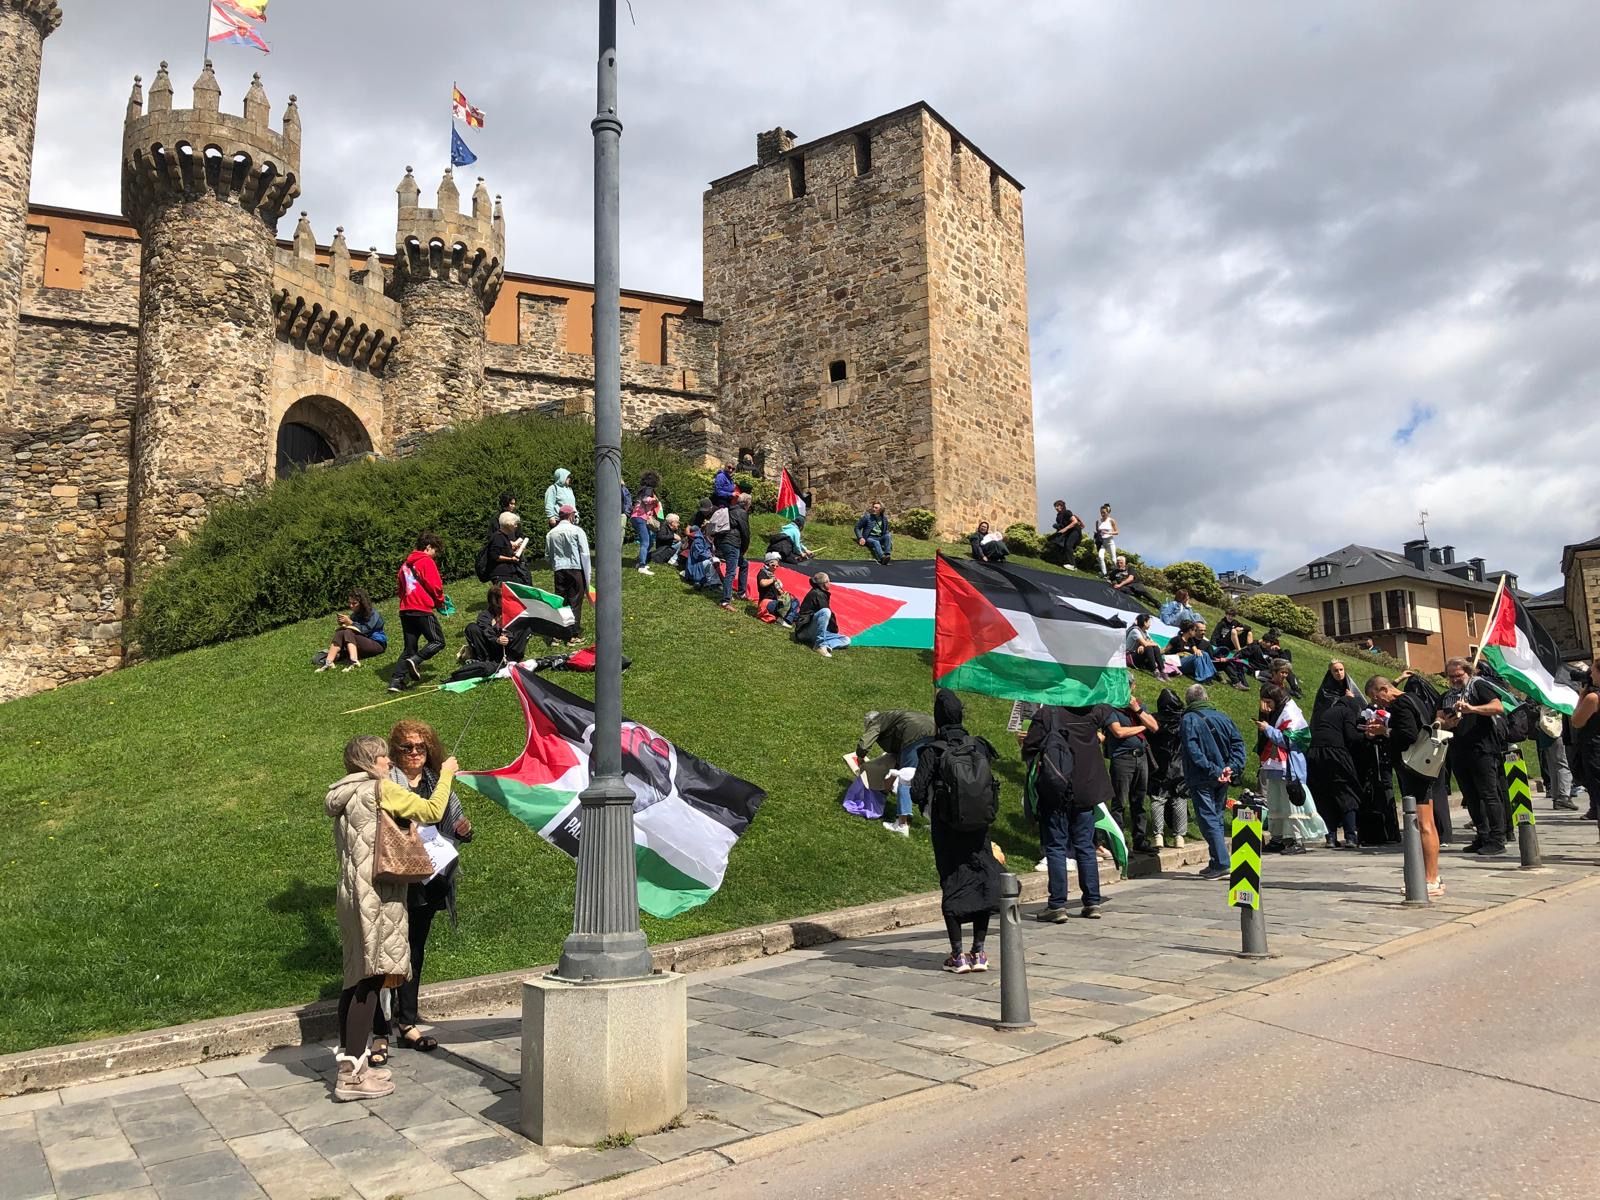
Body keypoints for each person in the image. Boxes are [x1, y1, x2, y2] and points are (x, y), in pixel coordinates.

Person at [325, 734, 455, 1101]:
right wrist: (446, 775)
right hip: (378, 895)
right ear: (372, 761)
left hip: (352, 892)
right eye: (384, 758)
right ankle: (351, 1075)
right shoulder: (381, 789)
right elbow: (432, 812)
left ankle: (355, 1064)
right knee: (372, 977)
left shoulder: (344, 794)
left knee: (354, 977)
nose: (389, 764)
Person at [385, 720, 472, 1053]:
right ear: (395, 751)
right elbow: (411, 814)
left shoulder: (435, 779)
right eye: (408, 747)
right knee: (390, 947)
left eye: (421, 747)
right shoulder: (389, 780)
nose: (415, 753)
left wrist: (463, 829)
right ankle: (382, 1023)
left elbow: (450, 818)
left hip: (431, 875)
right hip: (398, 874)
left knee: (415, 947)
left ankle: (407, 1019)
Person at [911, 690, 1001, 972]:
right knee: (981, 881)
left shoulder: (932, 751)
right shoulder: (980, 746)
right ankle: (979, 952)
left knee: (953, 882)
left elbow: (915, 792)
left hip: (947, 829)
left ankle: (957, 954)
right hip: (979, 828)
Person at [1022, 704, 1109, 919]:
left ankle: (1057, 905)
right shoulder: (1093, 712)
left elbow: (1030, 748)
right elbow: (1109, 710)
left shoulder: (1047, 714)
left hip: (1056, 788)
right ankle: (1092, 902)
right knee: (1085, 846)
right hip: (1086, 789)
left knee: (1056, 847)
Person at [1364, 676, 1443, 895]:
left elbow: (1408, 734)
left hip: (1415, 769)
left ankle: (1430, 878)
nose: (1379, 704)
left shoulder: (1400, 704)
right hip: (1425, 767)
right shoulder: (1414, 699)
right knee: (1428, 822)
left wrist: (1384, 731)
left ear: (1384, 689)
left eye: (1376, 697)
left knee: (1423, 823)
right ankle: (1432, 874)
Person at [1438, 656, 1507, 856]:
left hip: (1482, 748)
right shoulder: (1448, 696)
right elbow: (1439, 718)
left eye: (1458, 675)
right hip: (1459, 749)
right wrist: (1445, 724)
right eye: (1451, 676)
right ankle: (1482, 834)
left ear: (1468, 672)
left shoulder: (1479, 687)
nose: (1455, 680)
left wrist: (1472, 709)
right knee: (1471, 796)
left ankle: (1497, 837)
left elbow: (1497, 707)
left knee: (1489, 794)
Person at [1179, 683, 1245, 879]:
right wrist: (1231, 768)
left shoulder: (1188, 719)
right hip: (1223, 776)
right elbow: (1238, 743)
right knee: (1216, 816)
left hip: (1202, 776)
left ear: (1188, 701)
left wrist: (1213, 770)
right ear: (1206, 698)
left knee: (1207, 818)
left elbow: (1193, 751)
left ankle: (1222, 863)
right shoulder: (1223, 716)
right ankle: (1216, 860)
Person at [1256, 683, 1326, 854]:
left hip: (1289, 766)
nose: (1267, 706)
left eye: (1268, 702)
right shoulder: (1276, 712)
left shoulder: (1291, 713)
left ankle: (1298, 839)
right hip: (1275, 765)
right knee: (1276, 802)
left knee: (1292, 804)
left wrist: (1268, 729)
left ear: (1276, 700)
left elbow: (1290, 741)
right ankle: (1278, 837)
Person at [1307, 663, 1366, 849]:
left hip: (1315, 754)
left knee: (1325, 795)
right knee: (1347, 792)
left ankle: (1331, 837)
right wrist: (1367, 734)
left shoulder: (1326, 712)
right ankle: (1350, 836)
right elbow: (1351, 736)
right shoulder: (1347, 711)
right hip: (1336, 754)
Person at [857, 709, 936, 838]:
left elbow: (865, 743)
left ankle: (902, 825)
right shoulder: (894, 718)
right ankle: (935, 824)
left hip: (915, 736)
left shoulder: (877, 721)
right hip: (933, 732)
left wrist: (860, 757)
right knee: (927, 779)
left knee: (905, 776)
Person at [1098, 695, 1159, 854]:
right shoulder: (1111, 708)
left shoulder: (1138, 706)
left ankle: (1140, 840)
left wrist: (1137, 710)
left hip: (1141, 757)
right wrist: (1141, 727)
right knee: (1120, 802)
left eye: (1129, 686)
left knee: (1139, 802)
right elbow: (1118, 732)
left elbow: (1154, 726)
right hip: (1122, 759)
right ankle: (1118, 843)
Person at [388, 533, 447, 693]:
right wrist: (440, 602)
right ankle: (416, 660)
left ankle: (396, 681)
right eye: (435, 551)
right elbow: (436, 586)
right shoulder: (426, 561)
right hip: (421, 608)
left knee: (409, 647)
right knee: (437, 641)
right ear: (428, 548)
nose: (435, 555)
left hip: (405, 609)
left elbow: (400, 589)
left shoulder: (404, 565)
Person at [546, 504, 594, 645]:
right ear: (571, 515)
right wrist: (587, 575)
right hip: (575, 569)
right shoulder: (577, 531)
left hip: (559, 570)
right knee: (575, 601)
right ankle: (573, 634)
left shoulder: (551, 533)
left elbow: (548, 556)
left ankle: (558, 634)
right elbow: (584, 553)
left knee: (561, 601)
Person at [319, 589, 387, 672]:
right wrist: (343, 624)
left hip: (376, 644)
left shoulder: (373, 614)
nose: (351, 606)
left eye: (354, 603)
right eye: (350, 603)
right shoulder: (355, 615)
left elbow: (365, 630)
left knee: (348, 631)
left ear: (362, 603)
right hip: (361, 644)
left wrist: (350, 623)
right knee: (341, 631)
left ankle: (354, 661)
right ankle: (328, 662)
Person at [465, 587, 530, 663]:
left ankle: (512, 660)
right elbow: (486, 630)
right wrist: (497, 638)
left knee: (525, 627)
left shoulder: (512, 612)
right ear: (495, 601)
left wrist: (508, 637)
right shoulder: (485, 615)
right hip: (491, 649)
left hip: (508, 649)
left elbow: (515, 630)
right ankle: (485, 661)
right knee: (472, 627)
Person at [793, 573, 850, 657]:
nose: (830, 583)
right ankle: (819, 645)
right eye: (828, 581)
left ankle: (827, 645)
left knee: (846, 639)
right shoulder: (817, 594)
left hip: (814, 631)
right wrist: (834, 629)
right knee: (825, 612)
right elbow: (827, 614)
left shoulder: (820, 593)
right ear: (824, 584)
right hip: (805, 631)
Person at [1571, 660, 1600, 824]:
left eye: (1593, 672)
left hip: (1595, 749)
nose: (1591, 675)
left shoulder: (1593, 698)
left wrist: (1581, 696)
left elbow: (1576, 721)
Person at [711, 499, 745, 612]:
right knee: (730, 572)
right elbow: (746, 532)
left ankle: (741, 592)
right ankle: (725, 601)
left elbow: (711, 529)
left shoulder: (725, 511)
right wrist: (744, 549)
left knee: (744, 564)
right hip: (732, 544)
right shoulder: (741, 513)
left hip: (721, 542)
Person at [630, 470, 663, 575]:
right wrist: (656, 501)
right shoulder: (649, 489)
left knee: (649, 541)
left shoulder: (642, 489)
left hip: (637, 517)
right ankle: (641, 566)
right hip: (641, 517)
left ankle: (640, 561)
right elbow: (646, 500)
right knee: (645, 542)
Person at [756, 552, 799, 625]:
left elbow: (779, 592)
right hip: (766, 603)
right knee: (790, 606)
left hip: (774, 602)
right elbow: (762, 583)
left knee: (795, 601)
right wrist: (773, 580)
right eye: (773, 565)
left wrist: (783, 593)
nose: (775, 567)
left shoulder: (772, 576)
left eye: (777, 566)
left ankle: (787, 618)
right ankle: (787, 619)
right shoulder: (762, 573)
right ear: (767, 564)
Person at [484, 511, 526, 584]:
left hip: (508, 573)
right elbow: (495, 556)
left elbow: (504, 550)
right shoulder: (497, 537)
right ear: (508, 524)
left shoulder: (505, 536)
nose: (516, 526)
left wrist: (516, 550)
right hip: (500, 575)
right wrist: (511, 559)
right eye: (515, 524)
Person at [1044, 500, 1084, 565]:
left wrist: (1065, 529)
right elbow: (1061, 528)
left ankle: (1072, 565)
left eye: (1057, 506)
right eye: (1055, 506)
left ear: (1062, 506)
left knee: (1068, 545)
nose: (1056, 508)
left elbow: (1075, 521)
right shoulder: (1058, 517)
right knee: (1061, 546)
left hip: (1075, 531)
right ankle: (1061, 562)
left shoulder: (1067, 512)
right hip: (1069, 532)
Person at [1094, 503, 1119, 575]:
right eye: (1101, 512)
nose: (1102, 514)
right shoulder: (1098, 521)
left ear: (1108, 512)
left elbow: (1117, 532)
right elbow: (1098, 530)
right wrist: (1097, 534)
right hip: (1102, 543)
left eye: (1104, 512)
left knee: (1114, 560)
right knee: (1100, 556)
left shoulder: (1111, 520)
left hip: (1110, 542)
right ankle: (1104, 573)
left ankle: (1118, 574)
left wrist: (1108, 533)